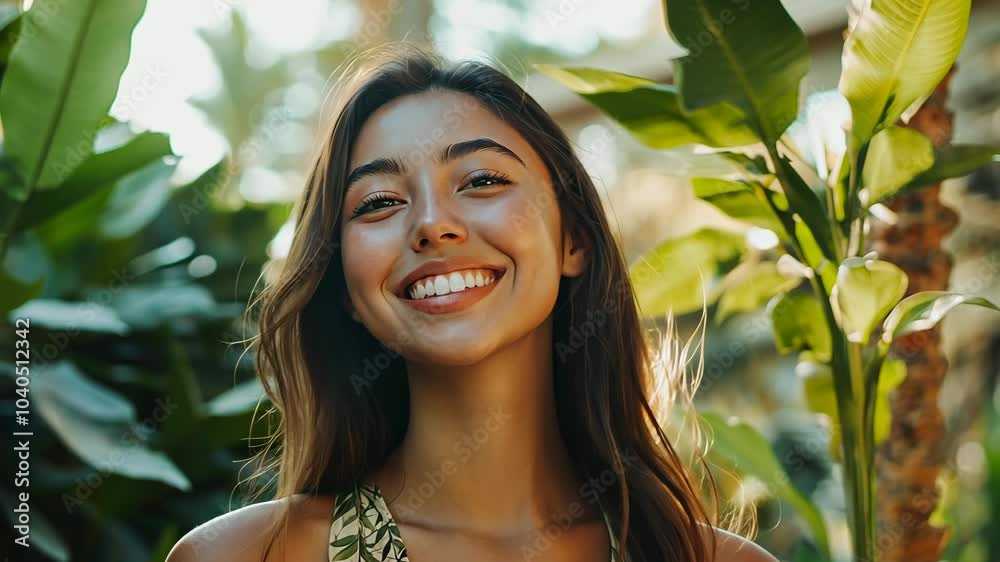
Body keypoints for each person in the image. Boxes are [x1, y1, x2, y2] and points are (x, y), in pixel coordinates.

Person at [166, 44, 779, 562]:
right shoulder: (243, 556)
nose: (432, 225)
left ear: (574, 240)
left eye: (482, 181)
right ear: (345, 289)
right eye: (379, 202)